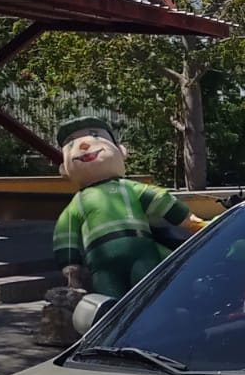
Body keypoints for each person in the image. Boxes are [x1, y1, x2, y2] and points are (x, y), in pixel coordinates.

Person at [52, 116, 209, 298]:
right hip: (101, 261)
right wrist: (70, 266)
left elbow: (160, 199)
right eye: (71, 144)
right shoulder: (78, 203)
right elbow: (64, 234)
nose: (84, 146)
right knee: (110, 302)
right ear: (64, 168)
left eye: (95, 136)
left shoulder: (128, 188)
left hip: (138, 251)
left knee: (150, 293)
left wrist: (189, 221)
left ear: (121, 151)